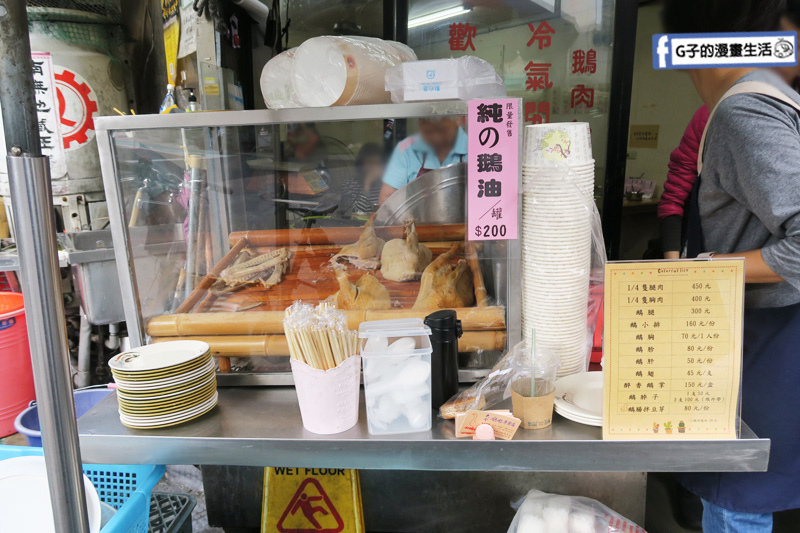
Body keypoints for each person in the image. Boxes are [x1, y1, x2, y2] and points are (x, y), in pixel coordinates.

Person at [662, 0, 800, 531]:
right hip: (765, 340)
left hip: (763, 347)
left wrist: (708, 268)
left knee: (739, 502)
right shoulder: (776, 99)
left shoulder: (743, 112)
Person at [659, 1, 800, 259]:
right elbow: (677, 189)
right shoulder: (721, 110)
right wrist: (676, 266)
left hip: (753, 296)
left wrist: (708, 264)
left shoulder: (745, 109)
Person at [378, 117, 467, 205]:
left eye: (443, 130)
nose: (436, 138)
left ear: (458, 120)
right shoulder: (406, 150)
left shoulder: (475, 148)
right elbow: (387, 198)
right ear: (420, 124)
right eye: (429, 131)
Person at [341, 143, 386, 215]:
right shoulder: (350, 185)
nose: (374, 168)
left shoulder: (386, 186)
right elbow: (356, 215)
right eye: (370, 163)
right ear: (362, 164)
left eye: (377, 163)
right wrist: (367, 184)